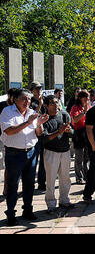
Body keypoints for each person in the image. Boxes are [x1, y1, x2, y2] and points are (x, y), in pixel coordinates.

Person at [1, 89, 49, 226]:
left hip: (31, 152)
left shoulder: (32, 113)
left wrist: (39, 124)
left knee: (29, 184)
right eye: (24, 99)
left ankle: (27, 210)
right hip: (14, 153)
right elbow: (9, 131)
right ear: (15, 99)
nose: (27, 102)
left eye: (28, 99)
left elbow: (38, 133)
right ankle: (10, 213)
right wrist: (28, 122)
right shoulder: (7, 112)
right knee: (13, 184)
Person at [41, 95, 74, 214]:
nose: (56, 105)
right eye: (52, 103)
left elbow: (72, 132)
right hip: (51, 152)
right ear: (46, 106)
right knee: (50, 179)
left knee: (65, 178)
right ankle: (51, 204)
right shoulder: (44, 119)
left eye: (57, 102)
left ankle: (64, 200)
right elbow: (44, 138)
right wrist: (58, 132)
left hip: (65, 151)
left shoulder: (64, 115)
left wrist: (68, 130)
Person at [0, 88, 19, 196]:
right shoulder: (3, 106)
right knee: (7, 165)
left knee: (12, 166)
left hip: (17, 139)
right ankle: (6, 188)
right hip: (4, 138)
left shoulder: (20, 107)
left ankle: (9, 188)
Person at [70, 90, 90, 184]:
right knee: (79, 157)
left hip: (87, 133)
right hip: (79, 133)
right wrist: (84, 112)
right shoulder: (75, 107)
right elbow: (75, 120)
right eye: (85, 97)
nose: (87, 99)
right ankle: (79, 177)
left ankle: (87, 175)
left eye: (88, 97)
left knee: (86, 157)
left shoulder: (88, 106)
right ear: (80, 98)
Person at [29, 81, 46, 191]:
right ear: (32, 90)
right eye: (36, 88)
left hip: (43, 133)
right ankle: (30, 183)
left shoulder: (45, 100)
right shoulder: (30, 102)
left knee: (44, 161)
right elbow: (33, 115)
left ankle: (41, 182)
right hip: (34, 135)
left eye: (40, 88)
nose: (39, 90)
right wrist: (40, 104)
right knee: (33, 160)